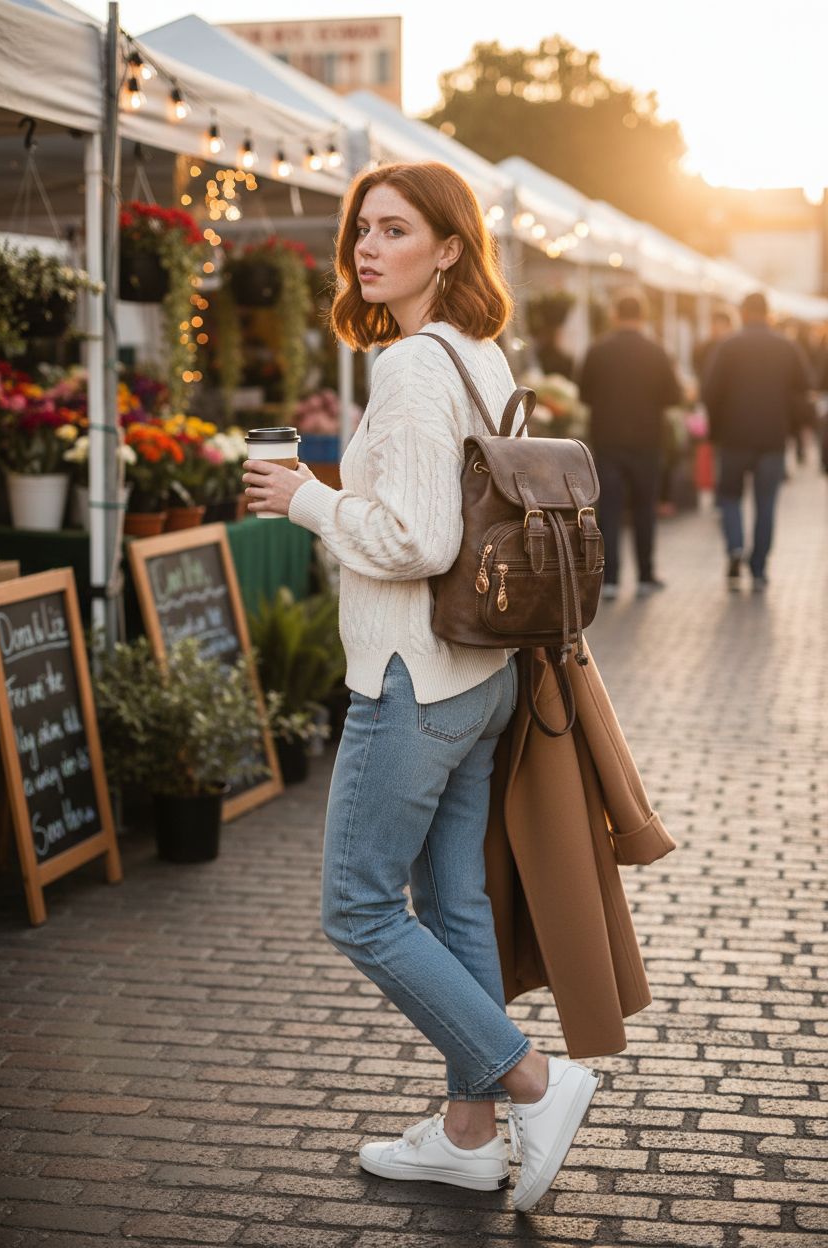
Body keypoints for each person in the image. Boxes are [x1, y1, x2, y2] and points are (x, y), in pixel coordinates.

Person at [242, 161, 599, 1213]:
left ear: (447, 248)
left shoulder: (407, 366)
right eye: (361, 228)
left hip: (412, 678)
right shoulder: (479, 355)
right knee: (452, 906)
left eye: (393, 229)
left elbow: (416, 539)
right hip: (481, 673)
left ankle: (534, 1081)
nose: (365, 245)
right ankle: (466, 1130)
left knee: (357, 907)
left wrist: (308, 498)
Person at [702, 291, 812, 591]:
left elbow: (710, 392)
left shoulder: (728, 347)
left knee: (730, 497)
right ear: (768, 313)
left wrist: (717, 428)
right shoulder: (786, 347)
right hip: (773, 438)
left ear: (743, 312)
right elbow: (804, 388)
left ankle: (735, 547)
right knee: (766, 504)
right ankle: (759, 568)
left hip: (734, 437)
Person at [578, 290, 682, 599]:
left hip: (608, 438)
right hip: (647, 440)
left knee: (608, 509)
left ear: (615, 315)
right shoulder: (656, 351)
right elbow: (673, 396)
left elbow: (584, 394)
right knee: (643, 509)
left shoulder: (598, 350)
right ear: (643, 316)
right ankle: (645, 576)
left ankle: (609, 580)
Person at [692, 308, 735, 384]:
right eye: (714, 323)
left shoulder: (734, 350)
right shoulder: (702, 349)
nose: (716, 328)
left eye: (721, 324)